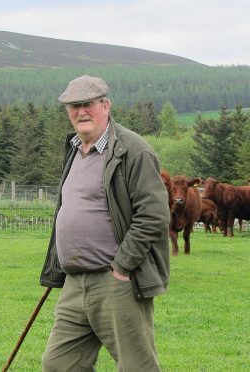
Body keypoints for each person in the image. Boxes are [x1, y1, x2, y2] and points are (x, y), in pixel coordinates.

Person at [40, 75, 170, 371]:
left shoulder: (133, 150)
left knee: (136, 366)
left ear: (105, 105)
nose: (81, 112)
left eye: (87, 104)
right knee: (58, 364)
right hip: (75, 282)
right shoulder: (74, 148)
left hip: (115, 282)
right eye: (73, 106)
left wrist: (122, 266)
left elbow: (154, 215)